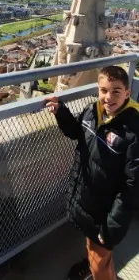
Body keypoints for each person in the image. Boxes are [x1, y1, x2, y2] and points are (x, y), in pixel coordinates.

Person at [44, 66, 139, 280]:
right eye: (104, 90)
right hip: (90, 204)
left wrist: (110, 229)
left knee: (101, 267)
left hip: (105, 215)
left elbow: (132, 187)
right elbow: (76, 132)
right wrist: (61, 112)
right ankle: (94, 265)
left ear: (127, 92)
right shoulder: (92, 110)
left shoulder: (134, 131)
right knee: (97, 254)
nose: (108, 97)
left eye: (116, 91)